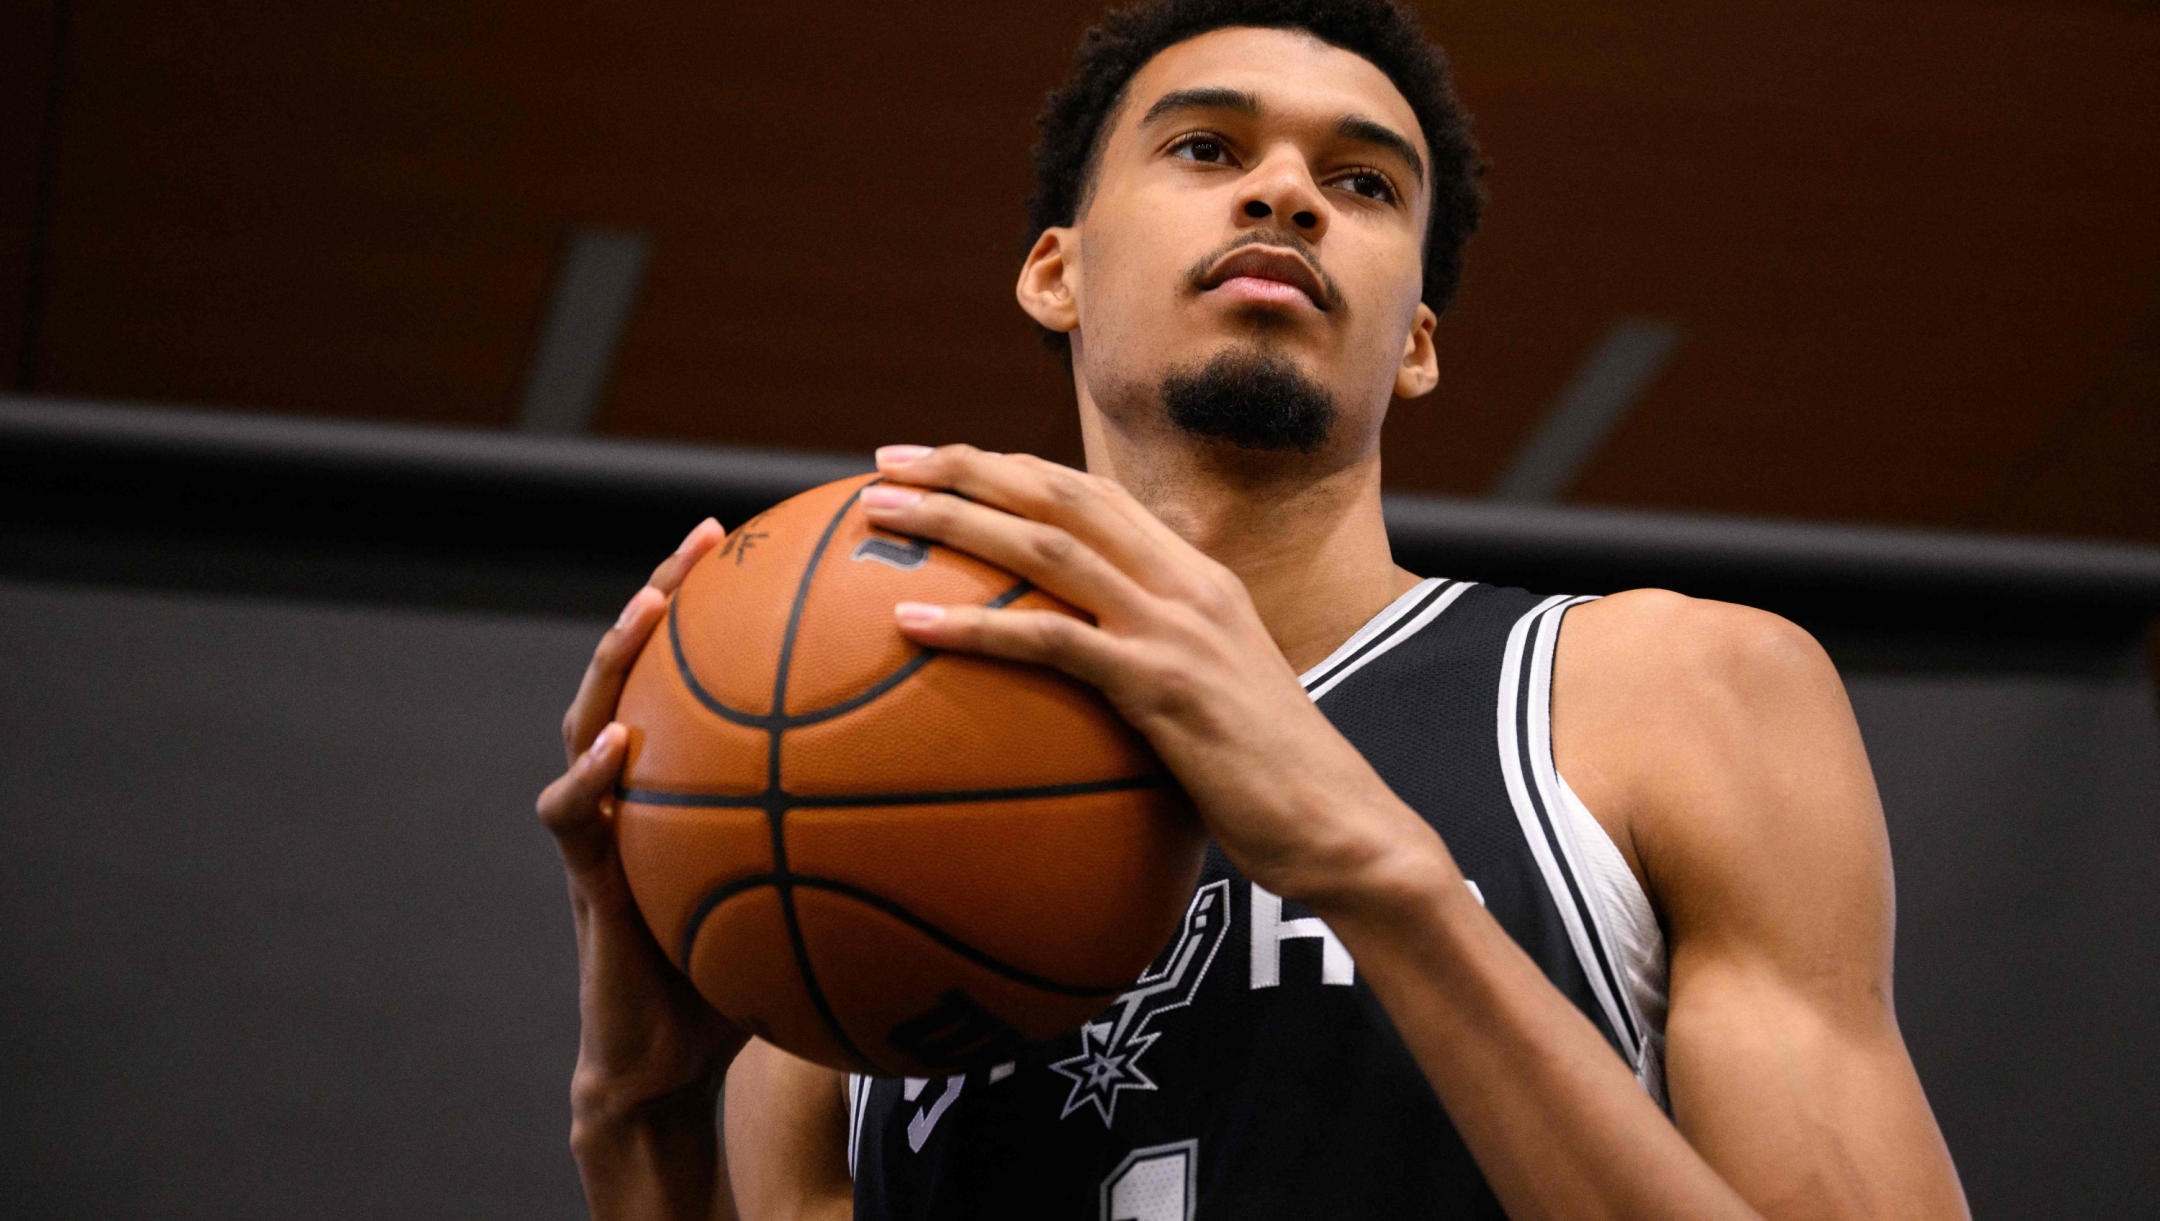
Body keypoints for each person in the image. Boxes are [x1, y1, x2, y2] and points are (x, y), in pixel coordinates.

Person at [536, 1, 1970, 1217]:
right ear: (1058, 271)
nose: (1286, 192)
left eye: (1363, 185)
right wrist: (640, 1122)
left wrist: (1374, 870)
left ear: (1414, 345)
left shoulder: (1673, 689)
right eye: (1208, 147)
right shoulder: (837, 849)